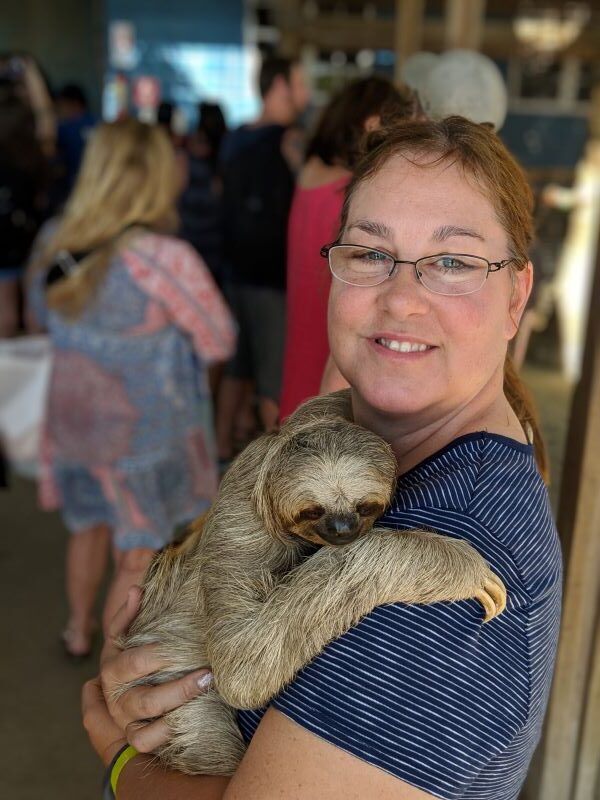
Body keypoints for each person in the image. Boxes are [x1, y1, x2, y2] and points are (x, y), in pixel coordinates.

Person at [82, 117, 561, 799]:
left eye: (452, 261)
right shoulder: (347, 435)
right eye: (370, 253)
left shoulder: (444, 589)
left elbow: (246, 671)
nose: (401, 297)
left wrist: (119, 757)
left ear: (515, 295)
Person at [28, 118, 236, 658]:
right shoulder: (165, 260)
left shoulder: (56, 241)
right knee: (137, 556)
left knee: (88, 530)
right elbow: (218, 338)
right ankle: (114, 665)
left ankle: (77, 631)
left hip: (74, 424)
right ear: (153, 177)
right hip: (141, 437)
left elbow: (38, 318)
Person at [279, 75, 417, 419]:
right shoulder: (351, 196)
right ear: (374, 126)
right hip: (332, 359)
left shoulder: (309, 174)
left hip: (299, 345)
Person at [215, 55, 310, 464]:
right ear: (280, 87)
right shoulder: (293, 141)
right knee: (273, 381)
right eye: (301, 82)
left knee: (238, 369)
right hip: (273, 278)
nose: (307, 93)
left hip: (234, 272)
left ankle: (220, 449)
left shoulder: (234, 138)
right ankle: (276, 474)